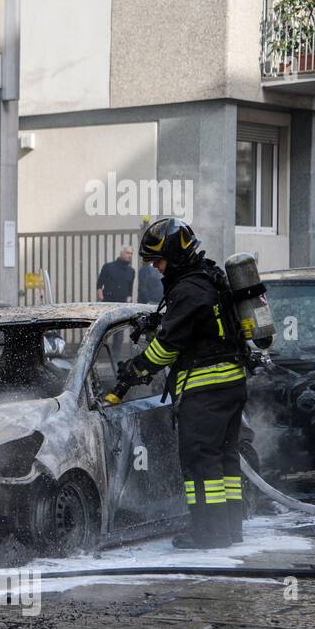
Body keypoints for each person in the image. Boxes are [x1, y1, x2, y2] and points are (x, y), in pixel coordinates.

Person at [111, 217, 248, 549]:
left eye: (159, 260)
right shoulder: (208, 278)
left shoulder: (188, 289)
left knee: (200, 460)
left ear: (174, 254)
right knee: (224, 460)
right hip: (232, 384)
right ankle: (229, 528)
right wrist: (158, 321)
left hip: (206, 388)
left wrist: (134, 369)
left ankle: (208, 533)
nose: (157, 269)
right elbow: (195, 326)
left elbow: (167, 349)